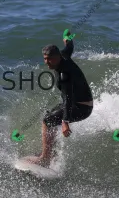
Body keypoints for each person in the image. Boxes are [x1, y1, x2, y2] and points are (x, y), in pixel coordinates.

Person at [25, 37, 93, 166]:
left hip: (82, 108)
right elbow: (70, 47)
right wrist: (68, 39)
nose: (47, 62)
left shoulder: (64, 75)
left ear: (57, 57)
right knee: (49, 115)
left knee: (47, 121)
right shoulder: (63, 55)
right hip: (78, 103)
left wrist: (65, 122)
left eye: (49, 59)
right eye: (45, 58)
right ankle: (52, 152)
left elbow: (68, 98)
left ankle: (45, 158)